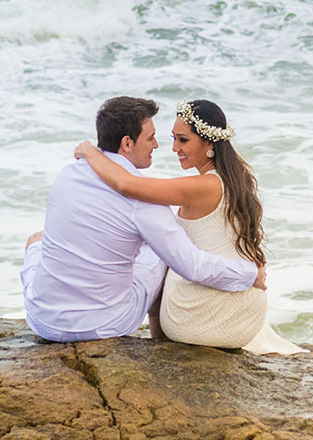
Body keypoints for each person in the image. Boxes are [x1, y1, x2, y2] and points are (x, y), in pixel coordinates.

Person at [21, 96, 267, 343]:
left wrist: (88, 151)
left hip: (42, 320)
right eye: (151, 138)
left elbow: (122, 188)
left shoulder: (68, 173)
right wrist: (249, 274)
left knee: (36, 240)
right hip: (102, 325)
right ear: (127, 143)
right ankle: (159, 341)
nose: (159, 146)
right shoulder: (145, 202)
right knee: (163, 251)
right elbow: (191, 265)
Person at [74, 99, 305, 355]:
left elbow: (127, 185)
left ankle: (159, 347)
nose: (174, 148)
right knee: (163, 244)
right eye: (173, 138)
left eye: (182, 140)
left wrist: (90, 152)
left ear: (208, 143)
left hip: (202, 315)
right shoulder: (235, 177)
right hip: (242, 309)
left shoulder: (204, 186)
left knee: (159, 253)